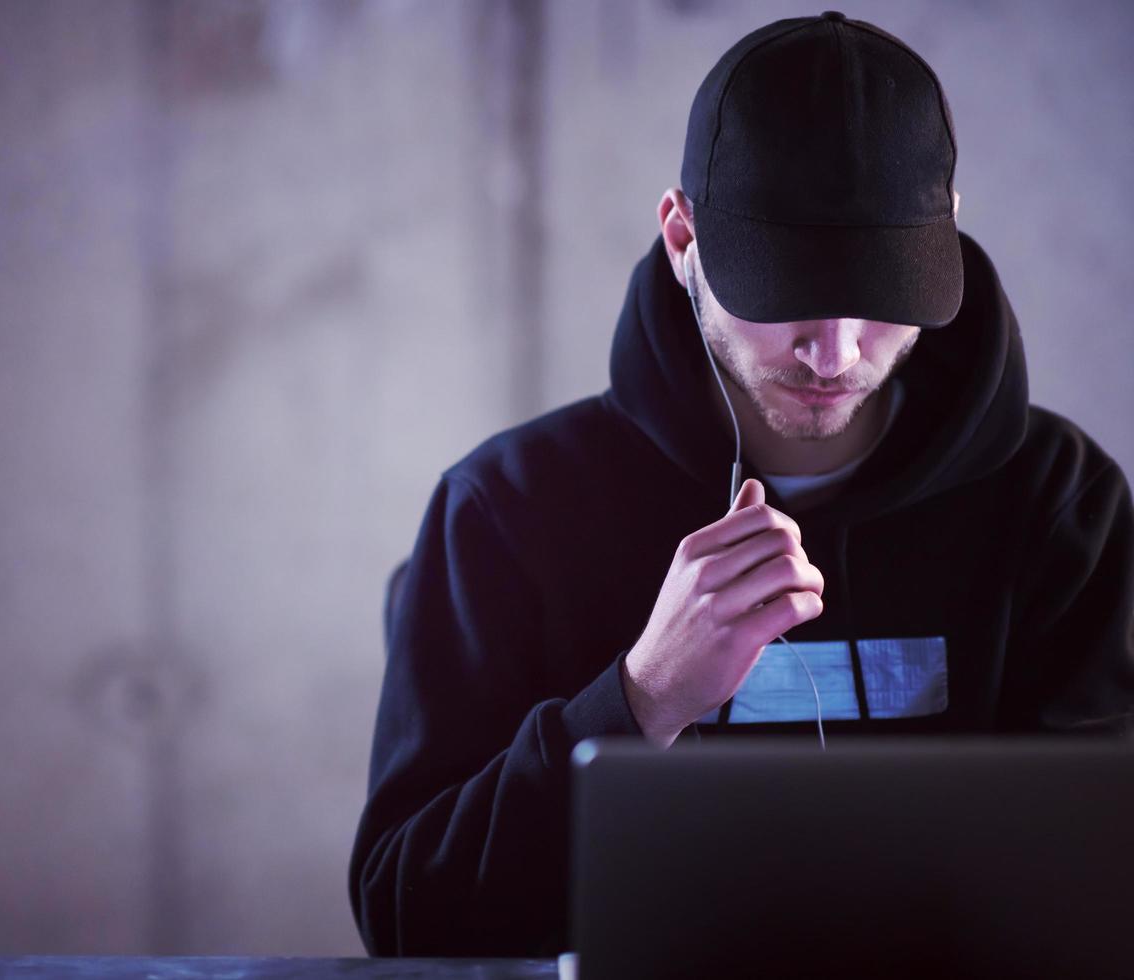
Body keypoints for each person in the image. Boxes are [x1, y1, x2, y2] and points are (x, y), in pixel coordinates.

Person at [348, 11, 1134, 958]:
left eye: (883, 293)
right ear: (683, 236)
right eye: (786, 292)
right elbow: (407, 919)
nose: (835, 355)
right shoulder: (506, 512)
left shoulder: (1058, 504)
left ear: (946, 235)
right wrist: (641, 699)